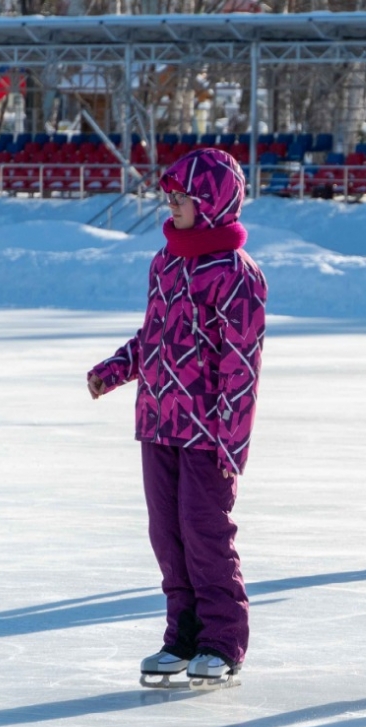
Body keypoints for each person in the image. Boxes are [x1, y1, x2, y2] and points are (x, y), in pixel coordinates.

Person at [87, 148, 267, 687]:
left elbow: (243, 363)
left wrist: (233, 443)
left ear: (213, 200)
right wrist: (116, 369)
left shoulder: (236, 273)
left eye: (182, 196)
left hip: (208, 431)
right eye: (169, 195)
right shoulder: (166, 261)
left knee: (204, 531)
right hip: (159, 420)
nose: (172, 203)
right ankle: (181, 636)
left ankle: (221, 641)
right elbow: (156, 337)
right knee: (167, 534)